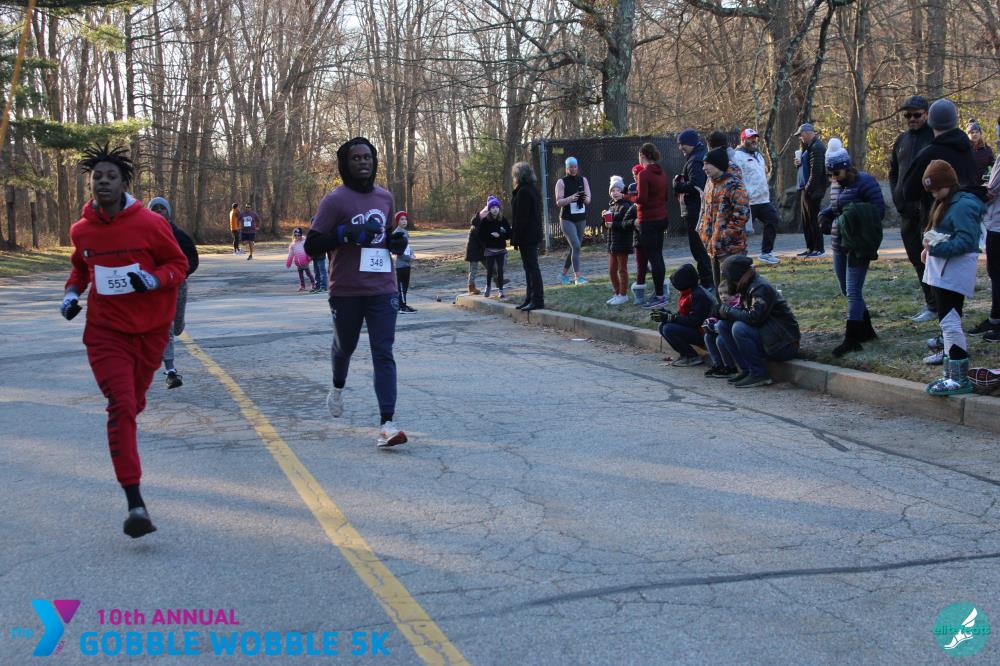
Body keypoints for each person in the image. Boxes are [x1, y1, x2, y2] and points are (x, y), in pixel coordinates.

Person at [61, 144, 188, 538]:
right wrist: (71, 295)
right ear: (90, 184)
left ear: (123, 183)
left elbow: (178, 264)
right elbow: (81, 269)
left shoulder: (150, 224)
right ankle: (135, 503)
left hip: (150, 331)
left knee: (134, 403)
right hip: (106, 332)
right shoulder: (81, 230)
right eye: (97, 177)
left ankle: (135, 495)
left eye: (110, 176)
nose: (103, 182)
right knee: (121, 406)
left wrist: (152, 279)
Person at [304, 137, 409, 448]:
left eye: (368, 157)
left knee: (383, 351)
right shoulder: (334, 201)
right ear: (345, 164)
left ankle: (387, 424)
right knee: (345, 347)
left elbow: (387, 234)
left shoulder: (385, 197)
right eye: (356, 158)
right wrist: (344, 234)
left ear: (374, 162)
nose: (363, 162)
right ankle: (337, 386)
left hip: (383, 287)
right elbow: (311, 245)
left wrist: (396, 242)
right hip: (346, 290)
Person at [919, 160, 986, 395]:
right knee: (947, 321)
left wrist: (936, 248)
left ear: (948, 183)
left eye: (936, 188)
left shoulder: (962, 205)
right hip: (943, 270)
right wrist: (929, 247)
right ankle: (950, 373)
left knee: (950, 321)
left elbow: (966, 241)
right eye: (931, 190)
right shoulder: (946, 202)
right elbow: (945, 232)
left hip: (953, 271)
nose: (934, 193)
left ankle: (958, 377)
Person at [817, 139, 885, 357]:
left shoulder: (865, 182)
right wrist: (825, 215)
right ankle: (866, 331)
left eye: (836, 173)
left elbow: (878, 211)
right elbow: (835, 208)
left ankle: (852, 338)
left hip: (858, 244)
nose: (834, 178)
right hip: (839, 243)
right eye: (830, 174)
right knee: (846, 289)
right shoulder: (836, 184)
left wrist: (850, 218)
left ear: (847, 167)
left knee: (853, 290)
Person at [713, 255, 801, 387]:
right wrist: (722, 313)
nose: (729, 283)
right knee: (723, 325)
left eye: (729, 279)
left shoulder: (760, 287)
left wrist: (728, 310)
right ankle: (746, 369)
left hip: (784, 344)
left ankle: (759, 374)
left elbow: (754, 318)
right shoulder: (746, 285)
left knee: (739, 328)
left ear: (737, 276)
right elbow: (744, 313)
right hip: (768, 336)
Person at [889, 95, 936, 322]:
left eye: (916, 115)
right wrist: (897, 199)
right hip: (906, 213)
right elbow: (893, 172)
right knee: (917, 260)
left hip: (929, 212)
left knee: (932, 260)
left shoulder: (934, 137)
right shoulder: (901, 140)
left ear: (926, 114)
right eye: (907, 115)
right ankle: (930, 303)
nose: (911, 119)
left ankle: (939, 305)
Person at [149, 196, 199, 389]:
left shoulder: (179, 235)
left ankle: (177, 326)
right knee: (166, 328)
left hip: (178, 285)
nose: (158, 211)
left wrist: (182, 273)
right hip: (156, 289)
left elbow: (192, 259)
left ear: (168, 212)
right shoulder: (144, 235)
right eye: (154, 208)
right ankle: (170, 370)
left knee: (176, 327)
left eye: (162, 208)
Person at [624, 142, 670, 308]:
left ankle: (659, 296)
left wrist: (629, 197)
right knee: (658, 256)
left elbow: (642, 199)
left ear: (642, 155)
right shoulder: (662, 173)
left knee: (654, 258)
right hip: (662, 218)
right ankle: (660, 292)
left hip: (648, 221)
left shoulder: (643, 174)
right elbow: (665, 197)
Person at [699, 147, 750, 290]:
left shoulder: (734, 185)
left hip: (730, 249)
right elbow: (705, 212)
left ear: (717, 164)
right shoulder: (710, 184)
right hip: (713, 248)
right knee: (720, 291)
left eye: (707, 164)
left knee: (732, 291)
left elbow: (742, 214)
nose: (704, 168)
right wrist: (704, 234)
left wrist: (724, 236)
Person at [673, 129, 714, 288]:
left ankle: (707, 281)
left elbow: (696, 185)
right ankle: (708, 279)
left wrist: (678, 185)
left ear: (690, 143)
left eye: (682, 144)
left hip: (696, 210)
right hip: (700, 208)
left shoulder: (695, 160)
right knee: (702, 247)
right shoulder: (699, 156)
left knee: (698, 247)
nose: (680, 147)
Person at [650, 264, 713, 366]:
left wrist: (671, 318)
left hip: (705, 334)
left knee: (668, 329)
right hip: (696, 329)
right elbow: (684, 314)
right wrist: (666, 314)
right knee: (662, 326)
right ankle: (685, 355)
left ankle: (692, 357)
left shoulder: (698, 295)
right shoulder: (690, 291)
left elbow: (695, 321)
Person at [733, 128, 781, 264]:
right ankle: (738, 257)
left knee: (773, 219)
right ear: (743, 140)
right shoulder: (737, 156)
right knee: (741, 231)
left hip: (763, 200)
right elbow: (736, 178)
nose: (754, 141)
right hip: (748, 201)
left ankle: (766, 253)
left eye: (755, 138)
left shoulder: (758, 155)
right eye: (750, 138)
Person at [971, 152, 1000, 341]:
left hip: (998, 225)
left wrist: (971, 192)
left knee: (997, 274)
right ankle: (995, 318)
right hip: (995, 223)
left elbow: (991, 191)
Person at [511, 161, 545, 311]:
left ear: (518, 176)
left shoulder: (523, 192)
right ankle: (530, 298)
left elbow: (521, 218)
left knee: (531, 268)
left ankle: (537, 299)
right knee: (529, 268)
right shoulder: (532, 189)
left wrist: (515, 239)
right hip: (532, 234)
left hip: (527, 235)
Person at [554, 156, 592, 285]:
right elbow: (559, 202)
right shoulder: (561, 182)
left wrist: (583, 198)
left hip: (581, 218)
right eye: (571, 167)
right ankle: (578, 278)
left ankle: (563, 275)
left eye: (575, 167)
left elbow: (588, 200)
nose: (573, 169)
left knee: (574, 248)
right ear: (566, 168)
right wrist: (572, 198)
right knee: (576, 245)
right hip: (567, 219)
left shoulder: (583, 180)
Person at [794, 123, 828, 257]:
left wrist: (808, 188)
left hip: (813, 190)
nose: (800, 138)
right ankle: (810, 247)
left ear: (808, 133)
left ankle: (819, 249)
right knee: (806, 220)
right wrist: (798, 164)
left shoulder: (817, 147)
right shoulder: (808, 147)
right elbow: (807, 167)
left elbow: (816, 171)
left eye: (801, 135)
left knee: (813, 219)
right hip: (806, 188)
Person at [603, 176, 636, 305]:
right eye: (612, 190)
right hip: (612, 243)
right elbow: (608, 224)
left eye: (618, 190)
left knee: (622, 269)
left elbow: (626, 224)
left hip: (623, 242)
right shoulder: (611, 205)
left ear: (622, 191)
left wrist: (613, 224)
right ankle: (617, 293)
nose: (615, 192)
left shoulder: (626, 205)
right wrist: (604, 219)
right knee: (612, 270)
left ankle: (623, 294)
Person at [478, 196, 511, 299]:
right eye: (492, 208)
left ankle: (501, 290)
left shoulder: (503, 220)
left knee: (500, 270)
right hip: (490, 249)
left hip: (501, 249)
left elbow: (509, 234)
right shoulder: (485, 221)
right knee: (490, 270)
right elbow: (481, 235)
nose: (495, 209)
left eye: (496, 207)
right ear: (489, 209)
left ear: (499, 208)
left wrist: (500, 235)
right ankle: (488, 287)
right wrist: (490, 235)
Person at [393, 212, 416, 312]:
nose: (404, 221)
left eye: (405, 219)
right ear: (397, 221)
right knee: (401, 287)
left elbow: (407, 246)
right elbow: (398, 252)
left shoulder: (405, 232)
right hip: (400, 265)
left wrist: (412, 253)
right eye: (401, 219)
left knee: (405, 286)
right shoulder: (396, 233)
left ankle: (404, 304)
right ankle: (401, 306)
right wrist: (409, 258)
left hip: (407, 264)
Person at [286, 227, 316, 292]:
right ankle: (302, 286)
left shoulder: (304, 242)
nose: (297, 236)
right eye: (295, 235)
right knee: (301, 276)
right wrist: (289, 262)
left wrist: (309, 257)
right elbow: (291, 254)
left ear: (301, 235)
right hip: (298, 263)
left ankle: (313, 283)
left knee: (308, 274)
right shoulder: (292, 245)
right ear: (293, 236)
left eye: (298, 235)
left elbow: (308, 249)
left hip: (305, 261)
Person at [465, 206, 486, 295]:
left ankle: (498, 280)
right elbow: (481, 240)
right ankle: (471, 287)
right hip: (474, 252)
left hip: (479, 251)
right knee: (473, 269)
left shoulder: (479, 224)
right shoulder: (476, 226)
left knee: (490, 266)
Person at [310, 216, 328, 294]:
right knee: (316, 271)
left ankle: (324, 286)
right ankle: (317, 286)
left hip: (320, 255)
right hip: (314, 256)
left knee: (322, 271)